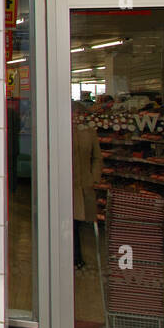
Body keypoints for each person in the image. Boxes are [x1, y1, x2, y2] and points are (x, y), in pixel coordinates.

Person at [71, 101, 103, 271]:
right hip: (68, 185)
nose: (76, 117)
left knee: (79, 221)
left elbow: (97, 157)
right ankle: (75, 257)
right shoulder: (61, 132)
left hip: (84, 184)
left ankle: (76, 257)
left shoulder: (89, 133)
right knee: (72, 223)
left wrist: (95, 177)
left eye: (78, 113)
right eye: (73, 113)